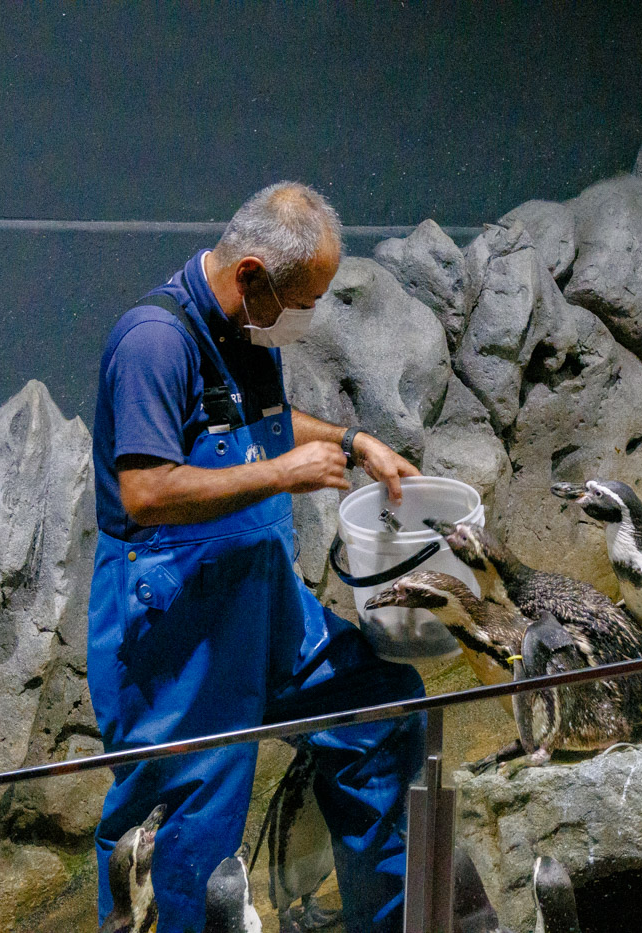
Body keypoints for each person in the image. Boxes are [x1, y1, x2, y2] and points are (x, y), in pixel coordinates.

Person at [86, 181, 425, 933]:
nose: (308, 317)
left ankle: (385, 921)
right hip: (181, 632)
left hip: (267, 610)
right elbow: (145, 490)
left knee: (382, 711)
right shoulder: (153, 343)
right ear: (251, 275)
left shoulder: (247, 331)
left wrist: (350, 440)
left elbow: (262, 422)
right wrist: (281, 474)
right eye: (302, 301)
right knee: (182, 840)